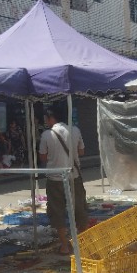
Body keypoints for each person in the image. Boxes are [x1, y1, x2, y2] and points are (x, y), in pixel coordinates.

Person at [39, 107, 88, 255]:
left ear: (50, 118)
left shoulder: (46, 135)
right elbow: (81, 152)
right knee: (80, 208)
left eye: (46, 118)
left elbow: (42, 157)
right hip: (74, 176)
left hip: (55, 178)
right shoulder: (75, 130)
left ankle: (65, 246)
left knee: (57, 211)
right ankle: (81, 244)